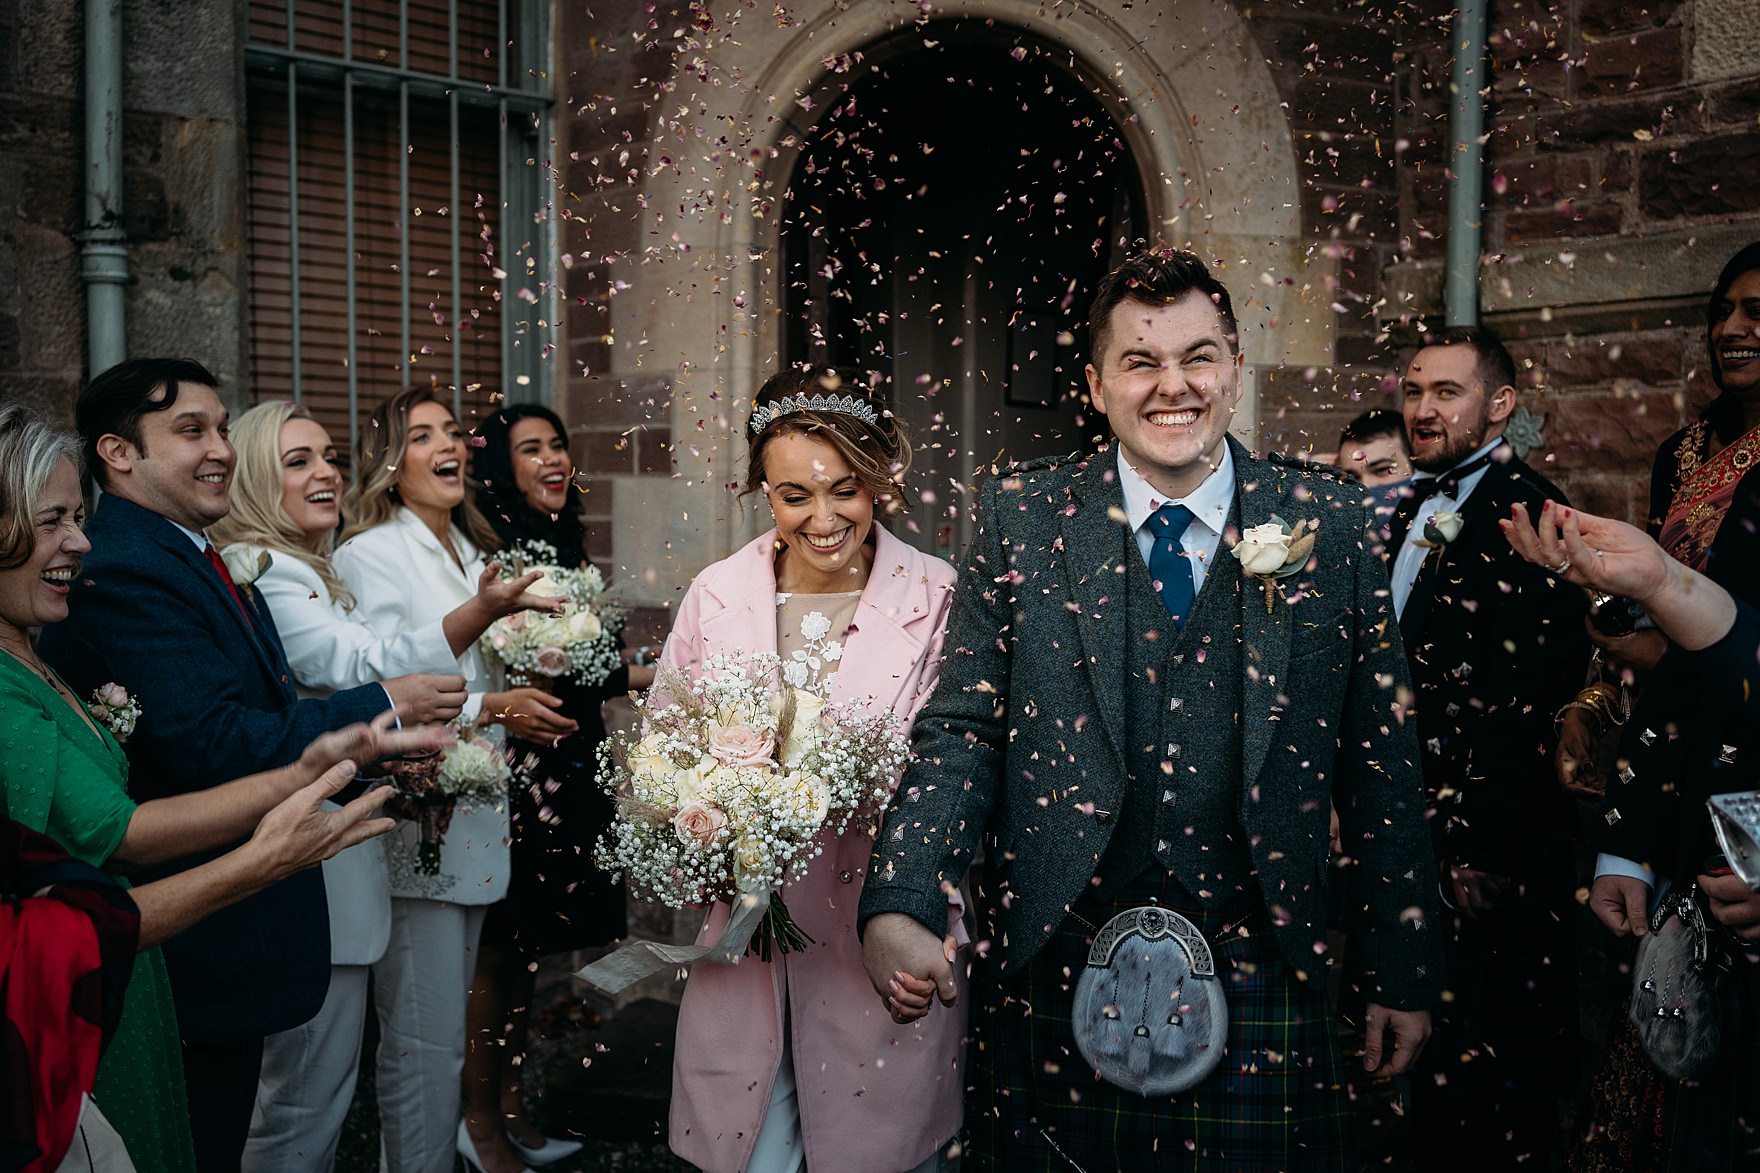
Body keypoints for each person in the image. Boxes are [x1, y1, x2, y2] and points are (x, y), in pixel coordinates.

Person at [858, 248, 1444, 1172]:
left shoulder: (1326, 523)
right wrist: (902, 893)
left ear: (1236, 369)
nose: (1175, 386)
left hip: (1269, 955)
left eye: (1198, 356)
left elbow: (1383, 757)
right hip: (1062, 947)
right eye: (1141, 362)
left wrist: (1402, 966)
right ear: (1095, 384)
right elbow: (962, 729)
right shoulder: (1022, 516)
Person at [34, 361, 466, 1173]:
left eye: (223, 426)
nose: (222, 449)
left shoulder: (198, 553)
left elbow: (257, 719)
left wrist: (382, 775)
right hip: (198, 935)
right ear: (119, 453)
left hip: (237, 929)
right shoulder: (126, 567)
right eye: (191, 430)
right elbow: (214, 741)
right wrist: (382, 707)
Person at [210, 401, 558, 1173]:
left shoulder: (329, 566)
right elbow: (368, 667)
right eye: (298, 461)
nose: (325, 472)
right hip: (322, 858)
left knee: (326, 1095)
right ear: (256, 480)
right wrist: (481, 662)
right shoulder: (273, 573)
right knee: (308, 1098)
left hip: (375, 849)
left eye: (328, 456)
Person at [659, 366, 965, 1173]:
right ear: (764, 490)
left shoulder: (936, 594)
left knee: (873, 1152)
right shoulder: (715, 592)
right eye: (795, 494)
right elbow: (661, 751)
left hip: (874, 932)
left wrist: (931, 912)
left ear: (878, 483)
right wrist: (710, 825)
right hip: (747, 938)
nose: (824, 519)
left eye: (845, 490)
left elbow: (963, 767)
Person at [332, 386, 578, 1173]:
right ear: (388, 462)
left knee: (440, 1040)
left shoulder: (471, 550)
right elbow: (386, 682)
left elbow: (471, 660)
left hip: (473, 823)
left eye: (452, 431)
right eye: (421, 434)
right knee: (421, 1047)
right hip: (419, 828)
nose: (448, 445)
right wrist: (494, 702)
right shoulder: (367, 553)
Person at [1570, 243, 1760, 1172]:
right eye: (1724, 310)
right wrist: (1628, 840)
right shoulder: (1687, 455)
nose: (1733, 328)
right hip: (1689, 795)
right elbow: (1682, 660)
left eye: (1759, 311)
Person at [1383, 327, 1590, 1165]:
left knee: (1496, 1067)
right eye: (1413, 391)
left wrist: (1479, 842)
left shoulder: (1529, 509)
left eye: (1447, 392)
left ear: (1500, 404)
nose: (1423, 409)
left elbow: (1530, 692)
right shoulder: (1415, 503)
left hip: (1486, 842)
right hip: (1417, 826)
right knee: (1430, 1056)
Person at [466, 403, 654, 1167]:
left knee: (532, 948)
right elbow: (517, 664)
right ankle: (476, 1120)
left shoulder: (568, 547)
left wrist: (656, 670)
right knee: (498, 947)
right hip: (518, 767)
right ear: (501, 469)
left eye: (558, 446)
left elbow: (594, 671)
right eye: (530, 448)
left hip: (569, 759)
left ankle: (510, 1102)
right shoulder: (498, 555)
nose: (551, 459)